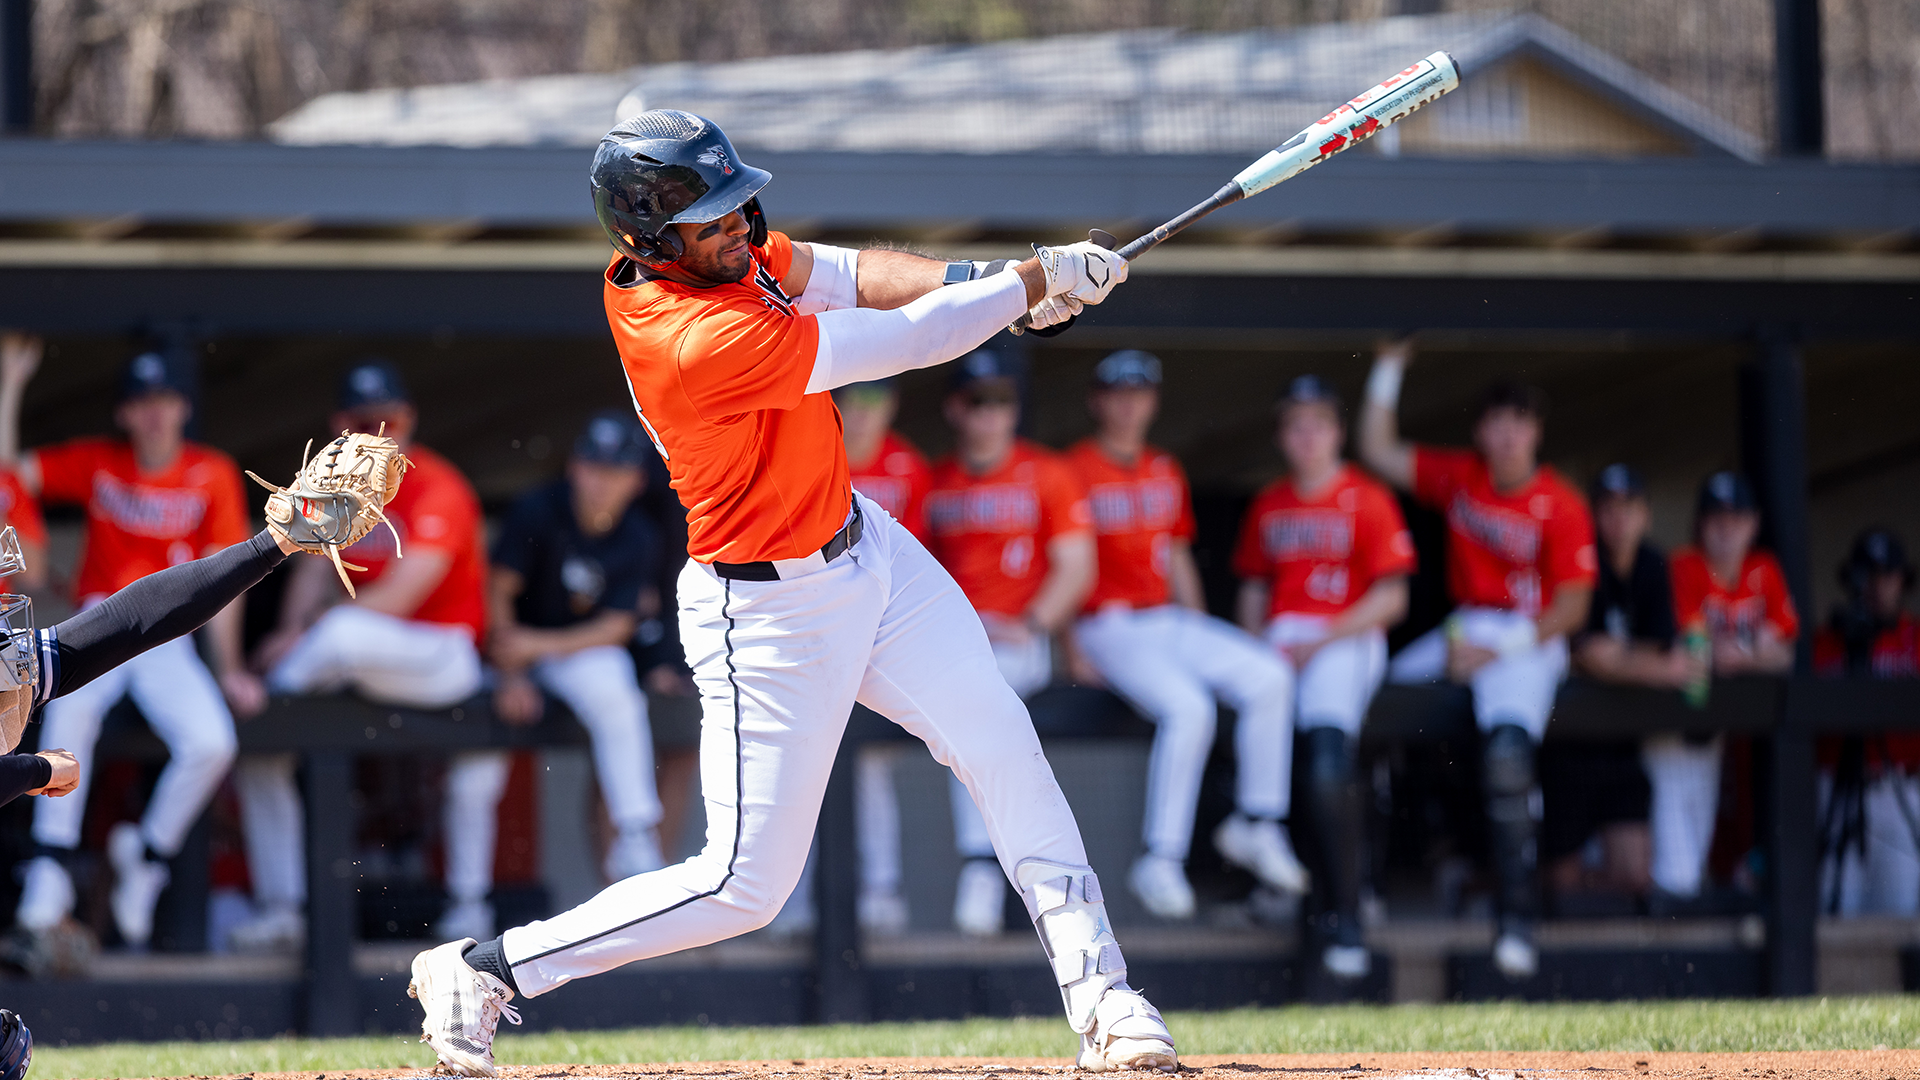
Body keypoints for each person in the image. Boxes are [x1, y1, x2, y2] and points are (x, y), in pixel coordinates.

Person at [407, 110, 1173, 1077]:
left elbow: (849, 273)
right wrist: (1029, 284)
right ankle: (488, 969)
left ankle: (1105, 996)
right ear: (650, 235)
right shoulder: (693, 337)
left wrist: (994, 280)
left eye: (738, 205)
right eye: (714, 217)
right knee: (743, 886)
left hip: (868, 549)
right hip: (767, 611)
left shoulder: (717, 258)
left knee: (1001, 743)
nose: (740, 226)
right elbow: (896, 341)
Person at [0, 338, 255, 950]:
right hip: (99, 619)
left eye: (164, 400)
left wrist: (230, 667)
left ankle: (146, 857)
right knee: (68, 710)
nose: (154, 413)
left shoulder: (211, 471)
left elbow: (229, 576)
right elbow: (9, 474)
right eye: (142, 402)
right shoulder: (100, 461)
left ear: (183, 407)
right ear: (124, 413)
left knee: (213, 742)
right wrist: (11, 385)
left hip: (170, 632)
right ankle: (48, 877)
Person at [1359, 340, 1596, 980]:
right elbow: (1378, 449)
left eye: (1520, 421)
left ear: (1536, 430)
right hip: (1466, 627)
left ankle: (1517, 920)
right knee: (1372, 706)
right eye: (1497, 421)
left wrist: (1497, 651)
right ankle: (1365, 886)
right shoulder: (1463, 475)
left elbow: (1573, 607)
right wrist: (1389, 366)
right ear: (1481, 431)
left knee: (1508, 754)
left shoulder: (1561, 502)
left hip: (1528, 638)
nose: (1509, 434)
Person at [236, 359, 490, 951]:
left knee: (476, 771)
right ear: (339, 426)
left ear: (409, 419)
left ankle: (471, 908)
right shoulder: (331, 484)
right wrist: (291, 628)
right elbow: (309, 569)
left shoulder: (439, 483)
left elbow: (400, 597)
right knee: (260, 755)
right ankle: (282, 908)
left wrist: (302, 636)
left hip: (442, 656)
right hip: (358, 661)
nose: (378, 433)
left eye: (389, 420)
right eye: (363, 421)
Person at [1063, 350, 1306, 922]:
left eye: (1140, 393)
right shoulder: (1072, 467)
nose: (1129, 404)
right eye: (1118, 393)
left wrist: (1197, 627)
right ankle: (1160, 858)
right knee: (1190, 708)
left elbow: (1176, 555)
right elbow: (1064, 561)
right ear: (1097, 401)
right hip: (1104, 622)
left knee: (1270, 676)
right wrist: (1068, 644)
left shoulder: (1163, 467)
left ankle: (1258, 821)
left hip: (1165, 618)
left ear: (1153, 401)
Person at [1231, 374, 1414, 980]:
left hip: (1345, 635)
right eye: (1296, 426)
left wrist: (1325, 638)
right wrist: (1256, 651)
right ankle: (1278, 890)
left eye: (1319, 424)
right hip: (1284, 641)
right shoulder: (1270, 503)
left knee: (1329, 764)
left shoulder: (1368, 497)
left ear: (1338, 432)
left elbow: (1393, 598)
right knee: (1263, 758)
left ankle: (1348, 913)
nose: (1308, 436)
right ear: (1282, 436)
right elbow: (1254, 591)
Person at [922, 351, 1095, 935]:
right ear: (955, 409)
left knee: (975, 707)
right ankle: (986, 868)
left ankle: (982, 866)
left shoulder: (1047, 471)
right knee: (966, 713)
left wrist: (1035, 622)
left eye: (1001, 401)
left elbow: (1077, 566)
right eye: (978, 402)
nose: (990, 414)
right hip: (954, 638)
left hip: (1020, 637)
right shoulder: (936, 479)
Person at [489, 410, 669, 889]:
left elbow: (616, 628)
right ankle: (468, 902)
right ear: (575, 467)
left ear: (636, 480)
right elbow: (497, 592)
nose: (601, 482)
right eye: (593, 467)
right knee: (476, 778)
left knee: (615, 685)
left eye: (615, 471)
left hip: (563, 651)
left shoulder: (639, 534)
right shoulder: (537, 509)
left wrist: (537, 646)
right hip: (503, 655)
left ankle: (635, 834)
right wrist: (511, 673)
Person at [1549, 465, 1698, 905]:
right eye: (1608, 509)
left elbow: (1667, 652)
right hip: (1570, 742)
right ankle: (1480, 886)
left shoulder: (1653, 564)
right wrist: (1650, 665)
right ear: (1594, 515)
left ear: (1645, 515)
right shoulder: (1580, 558)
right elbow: (1588, 655)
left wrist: (1622, 657)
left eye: (1629, 509)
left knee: (1635, 876)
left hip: (1623, 744)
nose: (1619, 520)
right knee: (1560, 882)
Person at [1656, 471, 1796, 908]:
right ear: (1700, 523)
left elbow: (1786, 652)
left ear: (1753, 524)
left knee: (1698, 849)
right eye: (1716, 517)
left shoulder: (1764, 570)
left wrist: (1740, 652)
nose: (1726, 528)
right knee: (1677, 863)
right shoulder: (1683, 565)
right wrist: (1754, 648)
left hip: (1718, 731)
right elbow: (1696, 647)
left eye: (1736, 518)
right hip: (1675, 725)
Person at [836, 377, 935, 934]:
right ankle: (795, 906)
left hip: (883, 630)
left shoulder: (909, 466)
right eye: (853, 398)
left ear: (891, 405)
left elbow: (912, 559)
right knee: (803, 769)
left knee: (871, 766)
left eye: (874, 400)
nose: (863, 411)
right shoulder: (816, 449)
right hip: (823, 627)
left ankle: (882, 889)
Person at [1816, 528, 1920, 914]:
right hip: (1837, 787)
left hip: (1898, 787)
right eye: (1868, 575)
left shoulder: (1915, 640)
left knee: (1899, 910)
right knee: (1835, 910)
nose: (1877, 586)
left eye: (1887, 575)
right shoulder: (1826, 642)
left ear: (1902, 580)